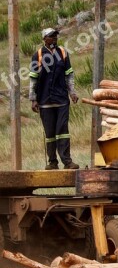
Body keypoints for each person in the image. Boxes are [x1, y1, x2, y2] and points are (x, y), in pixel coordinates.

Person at [29, 28, 80, 170]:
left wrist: (72, 92)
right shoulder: (37, 55)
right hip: (45, 101)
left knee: (63, 130)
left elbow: (69, 74)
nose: (54, 39)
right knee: (50, 133)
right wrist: (33, 99)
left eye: (55, 36)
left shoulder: (62, 53)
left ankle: (67, 162)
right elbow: (33, 78)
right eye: (51, 36)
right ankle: (52, 162)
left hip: (61, 99)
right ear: (44, 39)